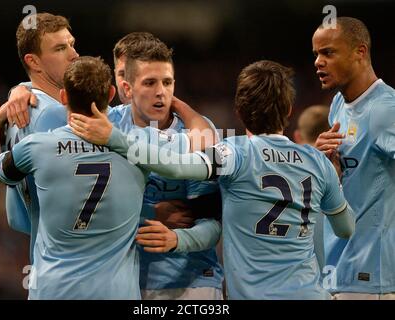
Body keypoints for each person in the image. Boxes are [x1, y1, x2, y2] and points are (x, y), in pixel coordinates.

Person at [77, 60, 356, 299]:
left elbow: (174, 166)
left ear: (239, 111)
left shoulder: (234, 154)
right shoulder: (318, 161)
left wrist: (116, 139)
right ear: (288, 111)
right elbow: (345, 229)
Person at [0, 56, 147, 299]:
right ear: (111, 94)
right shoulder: (139, 146)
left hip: (54, 291)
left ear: (63, 97)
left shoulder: (36, 147)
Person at [70, 35, 224, 300]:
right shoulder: (106, 125)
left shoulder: (199, 133)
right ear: (128, 89)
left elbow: (213, 222)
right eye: (150, 83)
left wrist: (177, 240)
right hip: (125, 283)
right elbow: (86, 208)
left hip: (193, 281)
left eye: (167, 82)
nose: (160, 92)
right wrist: (22, 91)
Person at [0, 12, 79, 260]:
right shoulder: (54, 116)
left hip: (45, 264)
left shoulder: (17, 113)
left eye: (72, 45)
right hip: (79, 267)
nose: (74, 55)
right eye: (60, 48)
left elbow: (16, 218)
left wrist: (21, 87)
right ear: (34, 62)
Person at [313, 17, 395, 299]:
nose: (318, 62)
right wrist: (323, 162)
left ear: (360, 52)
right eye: (316, 54)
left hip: (372, 278)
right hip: (339, 272)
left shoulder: (385, 110)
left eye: (328, 52)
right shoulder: (338, 104)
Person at [293, 104, 330, 272]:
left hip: (296, 281)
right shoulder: (344, 170)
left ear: (297, 136)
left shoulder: (283, 172)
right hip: (343, 280)